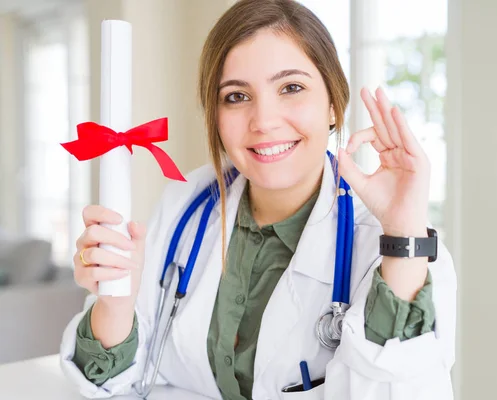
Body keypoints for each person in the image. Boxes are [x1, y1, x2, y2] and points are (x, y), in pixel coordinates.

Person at [59, 0, 457, 399]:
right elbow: (119, 380)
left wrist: (403, 233)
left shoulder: (384, 242)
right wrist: (115, 305)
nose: (263, 121)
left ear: (333, 104)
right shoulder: (184, 205)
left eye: (291, 88)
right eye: (236, 96)